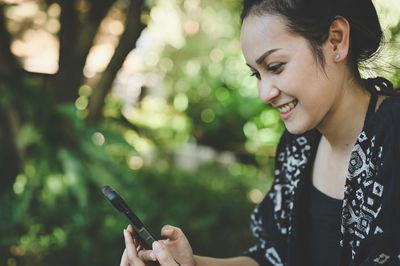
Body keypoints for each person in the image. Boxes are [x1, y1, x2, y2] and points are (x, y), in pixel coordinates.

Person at [120, 0, 400, 265]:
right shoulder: (297, 147)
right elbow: (273, 256)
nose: (264, 93)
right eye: (257, 74)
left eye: (275, 67)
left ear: (336, 40)